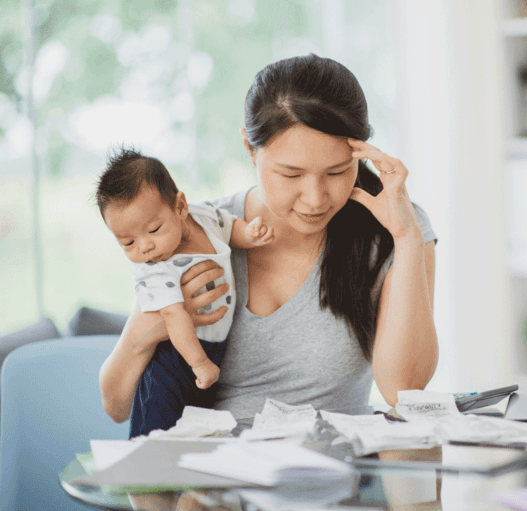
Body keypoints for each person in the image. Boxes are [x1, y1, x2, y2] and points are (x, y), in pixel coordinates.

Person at [99, 54, 438, 430]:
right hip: (212, 476)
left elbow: (404, 389)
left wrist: (407, 240)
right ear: (249, 148)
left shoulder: (394, 227)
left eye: (338, 171)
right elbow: (116, 406)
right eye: (291, 174)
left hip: (332, 476)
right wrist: (146, 331)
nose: (316, 198)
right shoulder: (198, 232)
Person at [95, 148, 275, 437]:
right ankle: (148, 474)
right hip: (174, 357)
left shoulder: (203, 216)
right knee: (158, 430)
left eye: (154, 229)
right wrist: (200, 363)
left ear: (180, 207)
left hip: (211, 348)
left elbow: (228, 228)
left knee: (194, 428)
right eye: (127, 243)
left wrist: (250, 235)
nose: (145, 247)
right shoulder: (156, 269)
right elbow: (174, 316)